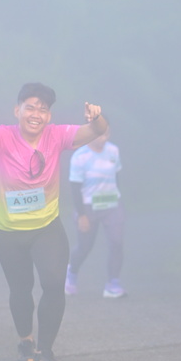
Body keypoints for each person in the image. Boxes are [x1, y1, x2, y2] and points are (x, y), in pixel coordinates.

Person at [0, 82, 108, 361]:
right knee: (20, 289)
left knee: (54, 283)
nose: (36, 114)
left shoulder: (57, 135)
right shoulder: (1, 136)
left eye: (43, 109)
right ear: (18, 110)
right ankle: (25, 341)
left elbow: (97, 130)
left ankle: (44, 353)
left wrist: (96, 117)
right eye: (30, 107)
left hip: (46, 227)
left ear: (49, 116)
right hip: (7, 230)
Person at [64, 127, 126, 299]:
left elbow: (116, 177)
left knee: (116, 243)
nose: (103, 138)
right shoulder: (80, 156)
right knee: (85, 247)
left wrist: (117, 197)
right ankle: (71, 274)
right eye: (100, 134)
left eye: (107, 134)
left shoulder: (113, 150)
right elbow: (75, 188)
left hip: (111, 204)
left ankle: (113, 284)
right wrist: (82, 215)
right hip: (88, 206)